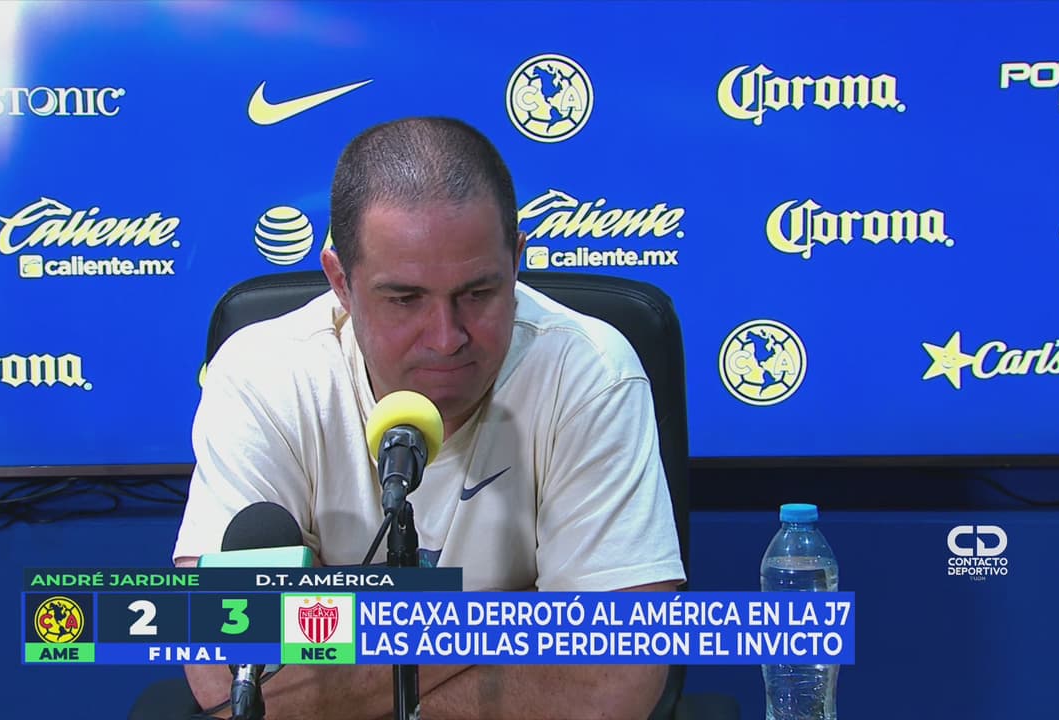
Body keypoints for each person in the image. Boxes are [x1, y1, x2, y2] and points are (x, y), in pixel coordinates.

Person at [171, 116, 685, 719]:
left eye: (478, 294)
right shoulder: (263, 375)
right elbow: (227, 674)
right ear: (340, 281)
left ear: (517, 262)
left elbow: (614, 679)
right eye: (405, 299)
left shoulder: (589, 371)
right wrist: (526, 618)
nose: (446, 338)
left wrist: (345, 632)